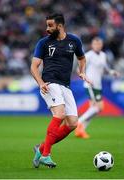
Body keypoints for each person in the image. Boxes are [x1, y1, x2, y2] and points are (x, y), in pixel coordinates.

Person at [30, 13, 90, 168]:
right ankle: (46, 155)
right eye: (47, 25)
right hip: (50, 83)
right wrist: (41, 82)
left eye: (50, 25)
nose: (47, 28)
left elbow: (82, 58)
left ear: (60, 26)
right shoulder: (43, 43)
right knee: (60, 114)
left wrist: (82, 71)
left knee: (72, 124)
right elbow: (34, 66)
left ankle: (41, 148)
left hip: (65, 85)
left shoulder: (74, 40)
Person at [75, 37, 119, 139]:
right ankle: (79, 123)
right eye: (95, 44)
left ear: (101, 45)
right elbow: (79, 69)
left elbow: (106, 68)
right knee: (97, 107)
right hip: (90, 84)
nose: (97, 46)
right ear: (92, 45)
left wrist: (112, 72)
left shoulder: (103, 55)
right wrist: (85, 78)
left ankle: (80, 130)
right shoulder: (89, 55)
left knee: (96, 109)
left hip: (98, 85)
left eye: (99, 44)